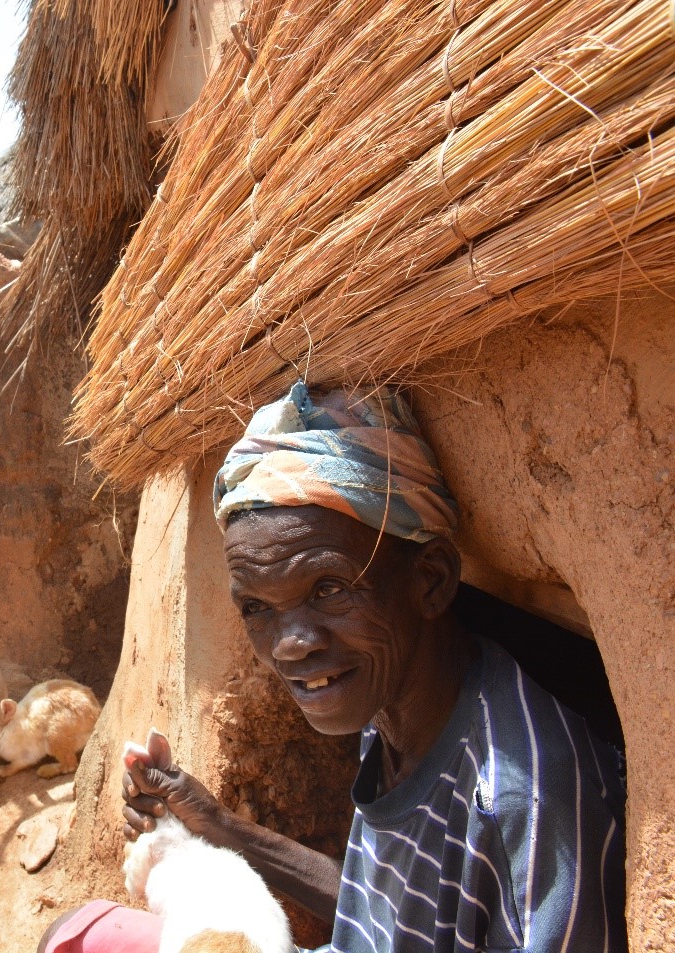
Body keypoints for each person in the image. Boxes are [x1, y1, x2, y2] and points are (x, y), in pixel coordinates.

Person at [41, 382, 626, 953]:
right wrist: (216, 822)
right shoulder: (391, 697)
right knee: (74, 932)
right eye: (256, 607)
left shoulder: (519, 798)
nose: (292, 644)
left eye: (328, 589)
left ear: (432, 580)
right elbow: (377, 912)